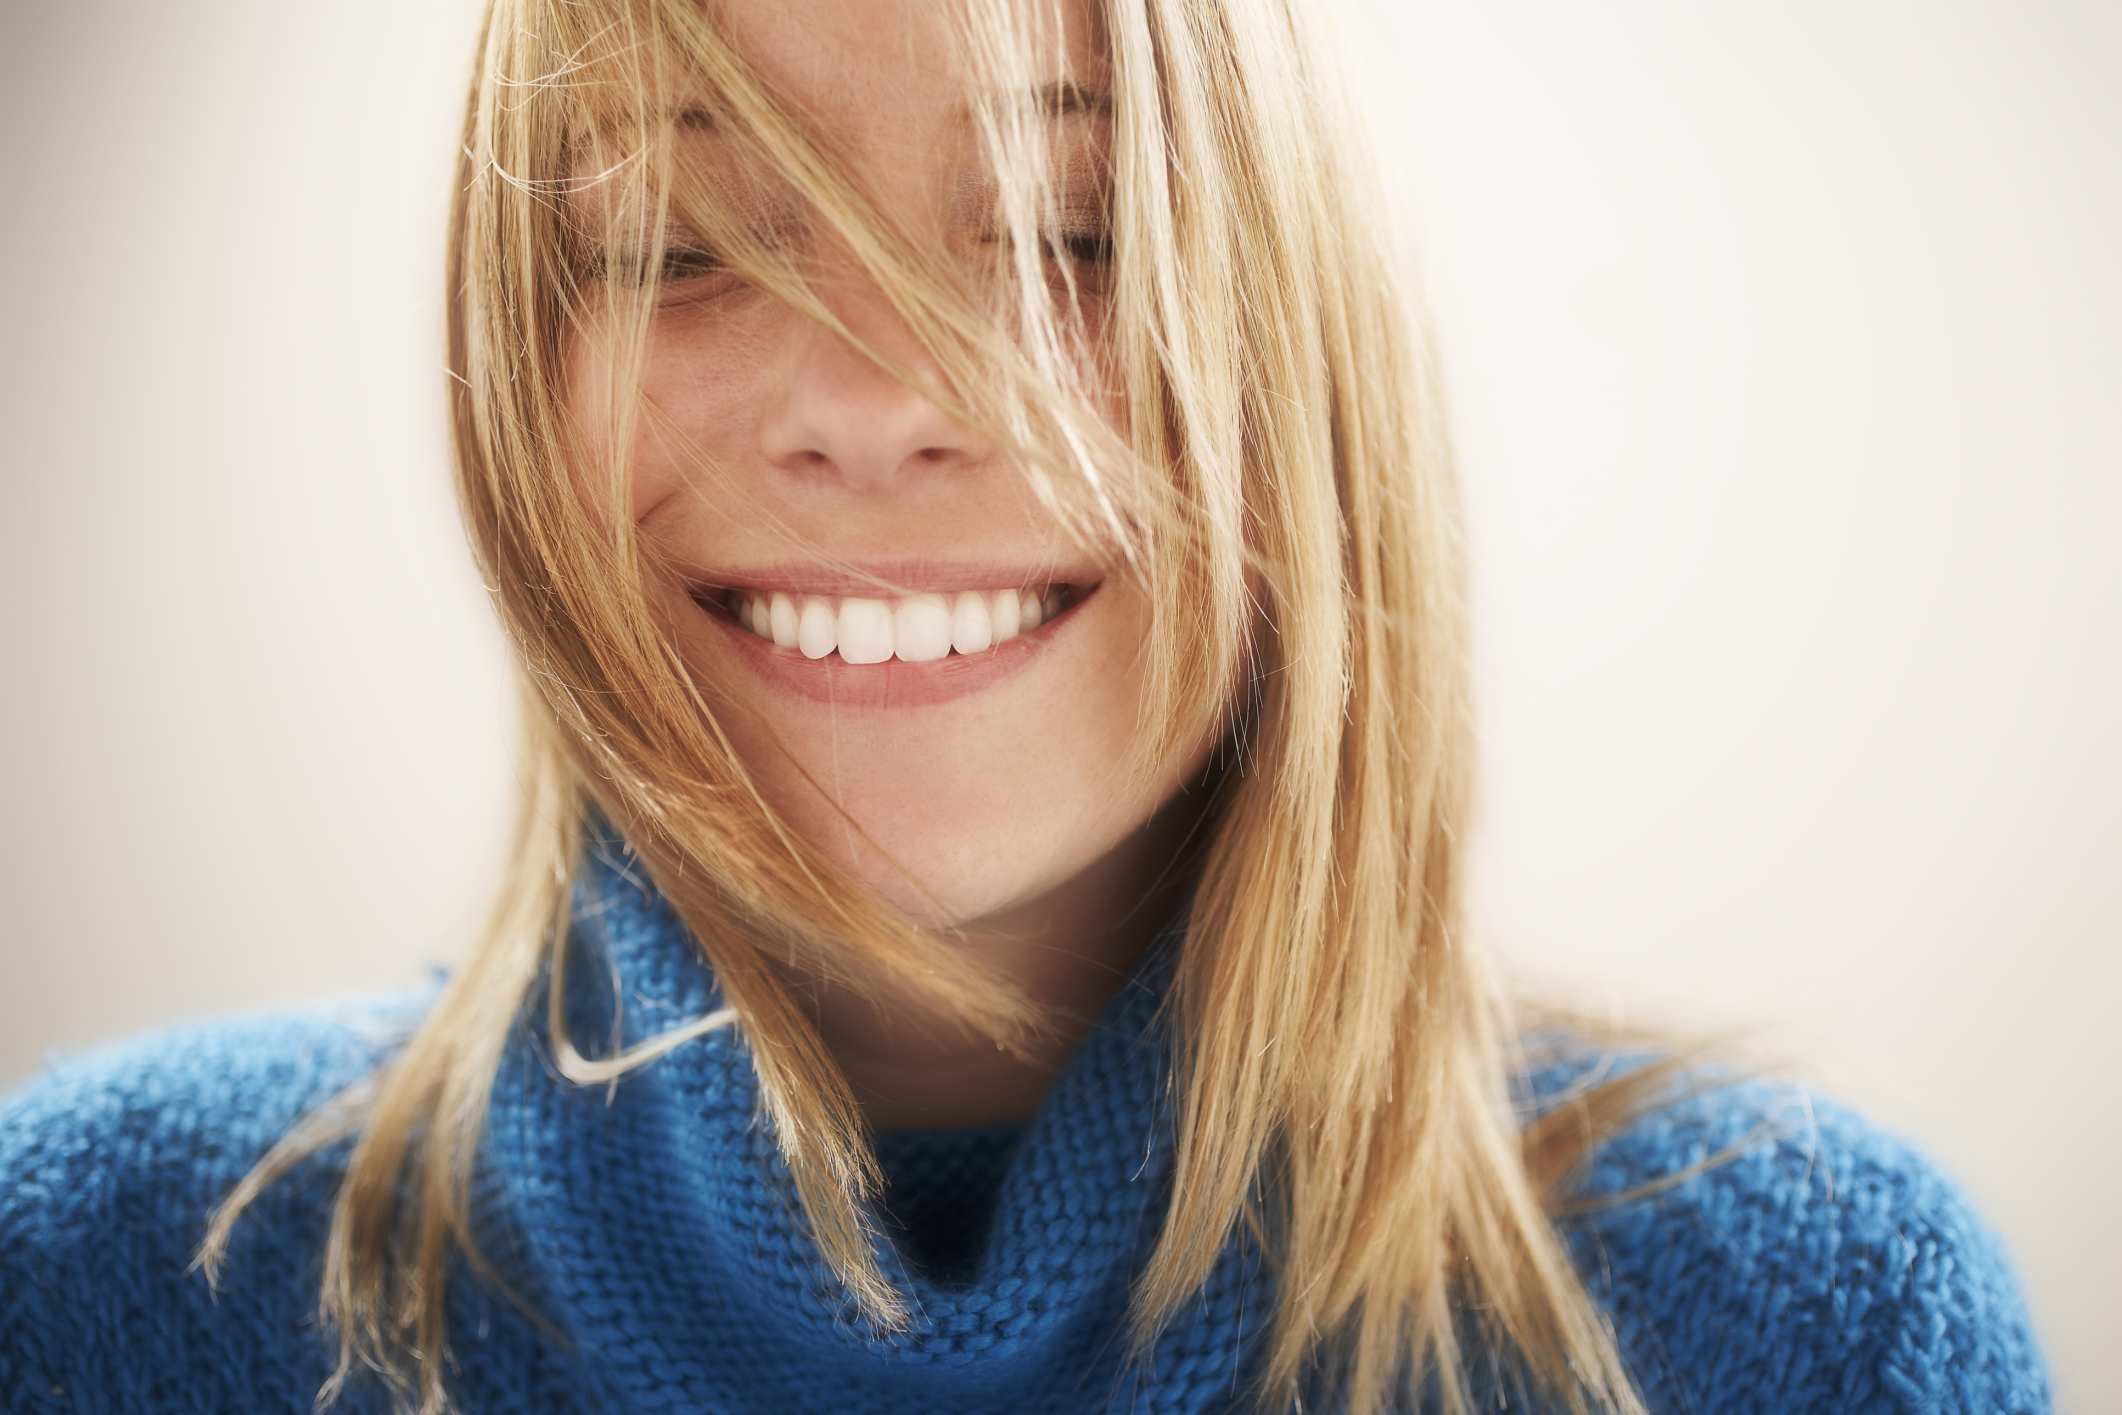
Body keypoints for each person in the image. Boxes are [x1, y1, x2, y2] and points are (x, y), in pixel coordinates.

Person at [0, 0, 2050, 1410]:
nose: (873, 395)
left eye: (1071, 234)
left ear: (1302, 354)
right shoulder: (87, 1279)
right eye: (682, 240)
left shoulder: (1798, 1321)